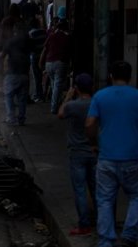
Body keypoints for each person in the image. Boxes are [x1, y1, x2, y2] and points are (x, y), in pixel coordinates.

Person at [85, 61, 138, 247]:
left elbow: (90, 124)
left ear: (111, 76)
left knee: (105, 199)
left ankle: (106, 240)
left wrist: (93, 142)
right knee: (137, 196)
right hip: (132, 156)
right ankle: (129, 235)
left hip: (107, 157)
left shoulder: (100, 96)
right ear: (130, 76)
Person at [58, 73, 97, 237]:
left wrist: (68, 95)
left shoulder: (73, 106)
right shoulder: (97, 103)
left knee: (80, 190)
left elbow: (60, 113)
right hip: (95, 152)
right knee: (97, 189)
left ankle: (84, 224)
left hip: (77, 153)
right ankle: (103, 221)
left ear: (77, 88)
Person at [0, 19, 31, 126]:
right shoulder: (28, 40)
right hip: (25, 73)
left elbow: (2, 55)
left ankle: (11, 118)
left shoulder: (11, 41)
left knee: (8, 96)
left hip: (12, 72)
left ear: (14, 30)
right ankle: (21, 119)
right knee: (22, 99)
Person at [41, 8, 73, 114]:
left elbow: (45, 49)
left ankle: (56, 103)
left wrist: (41, 62)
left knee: (54, 84)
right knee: (57, 85)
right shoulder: (67, 37)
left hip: (48, 63)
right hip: (59, 62)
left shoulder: (52, 35)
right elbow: (69, 52)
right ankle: (54, 107)